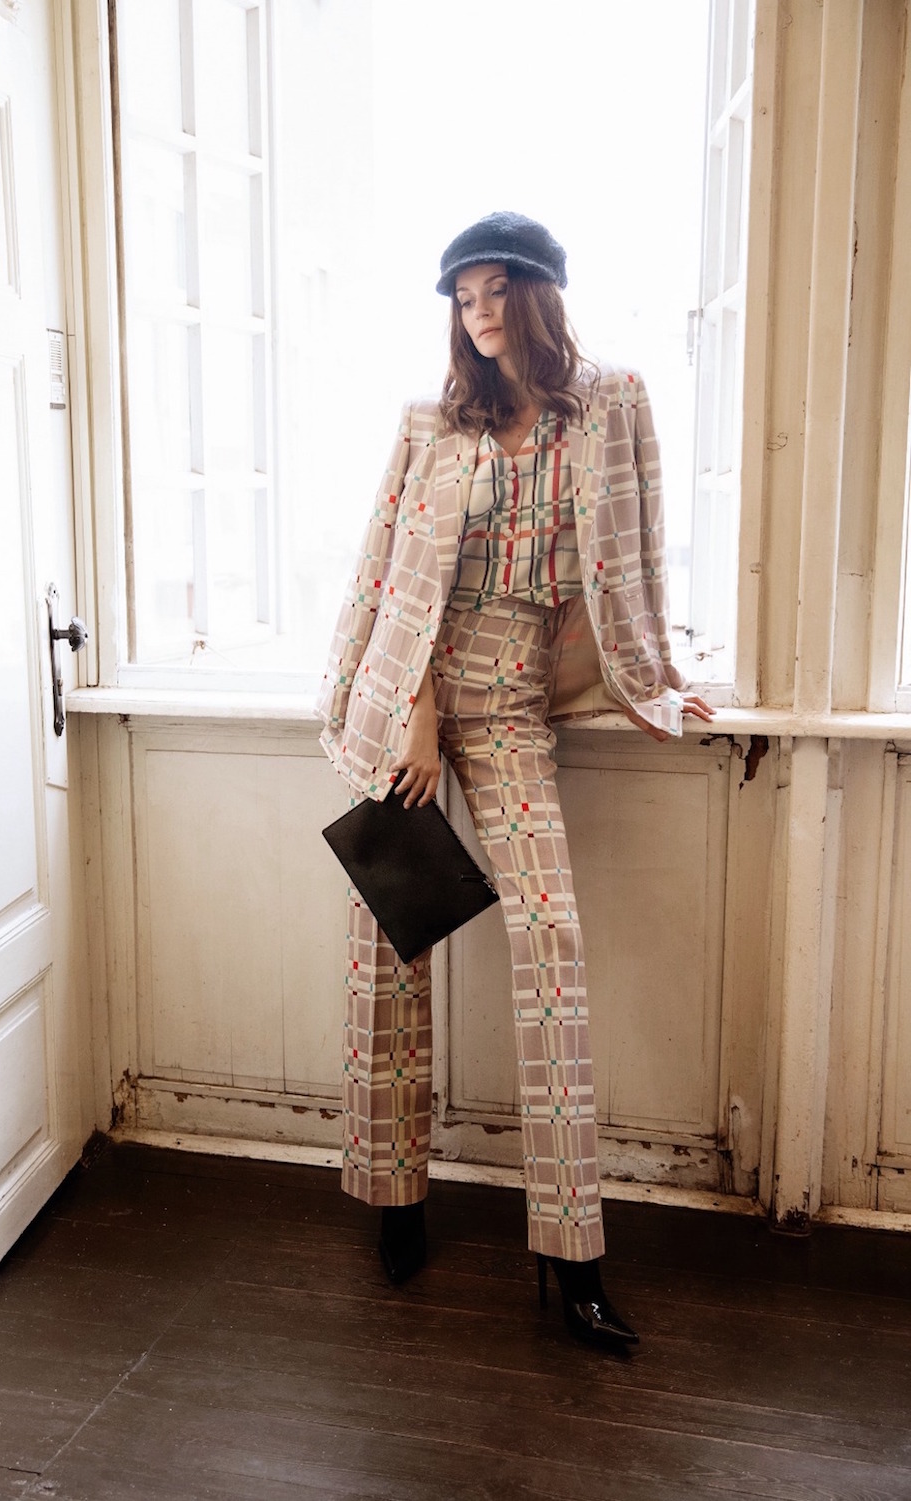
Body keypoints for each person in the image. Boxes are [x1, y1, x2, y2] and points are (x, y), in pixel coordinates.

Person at [317, 211, 714, 1350]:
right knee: (392, 943)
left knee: (553, 945)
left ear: (539, 294)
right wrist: (415, 716)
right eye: (463, 297)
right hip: (416, 700)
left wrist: (656, 675)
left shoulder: (611, 403)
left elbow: (636, 551)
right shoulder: (432, 423)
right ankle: (396, 1196)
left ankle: (570, 1252)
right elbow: (396, 573)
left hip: (515, 705)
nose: (479, 313)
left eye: (496, 290)